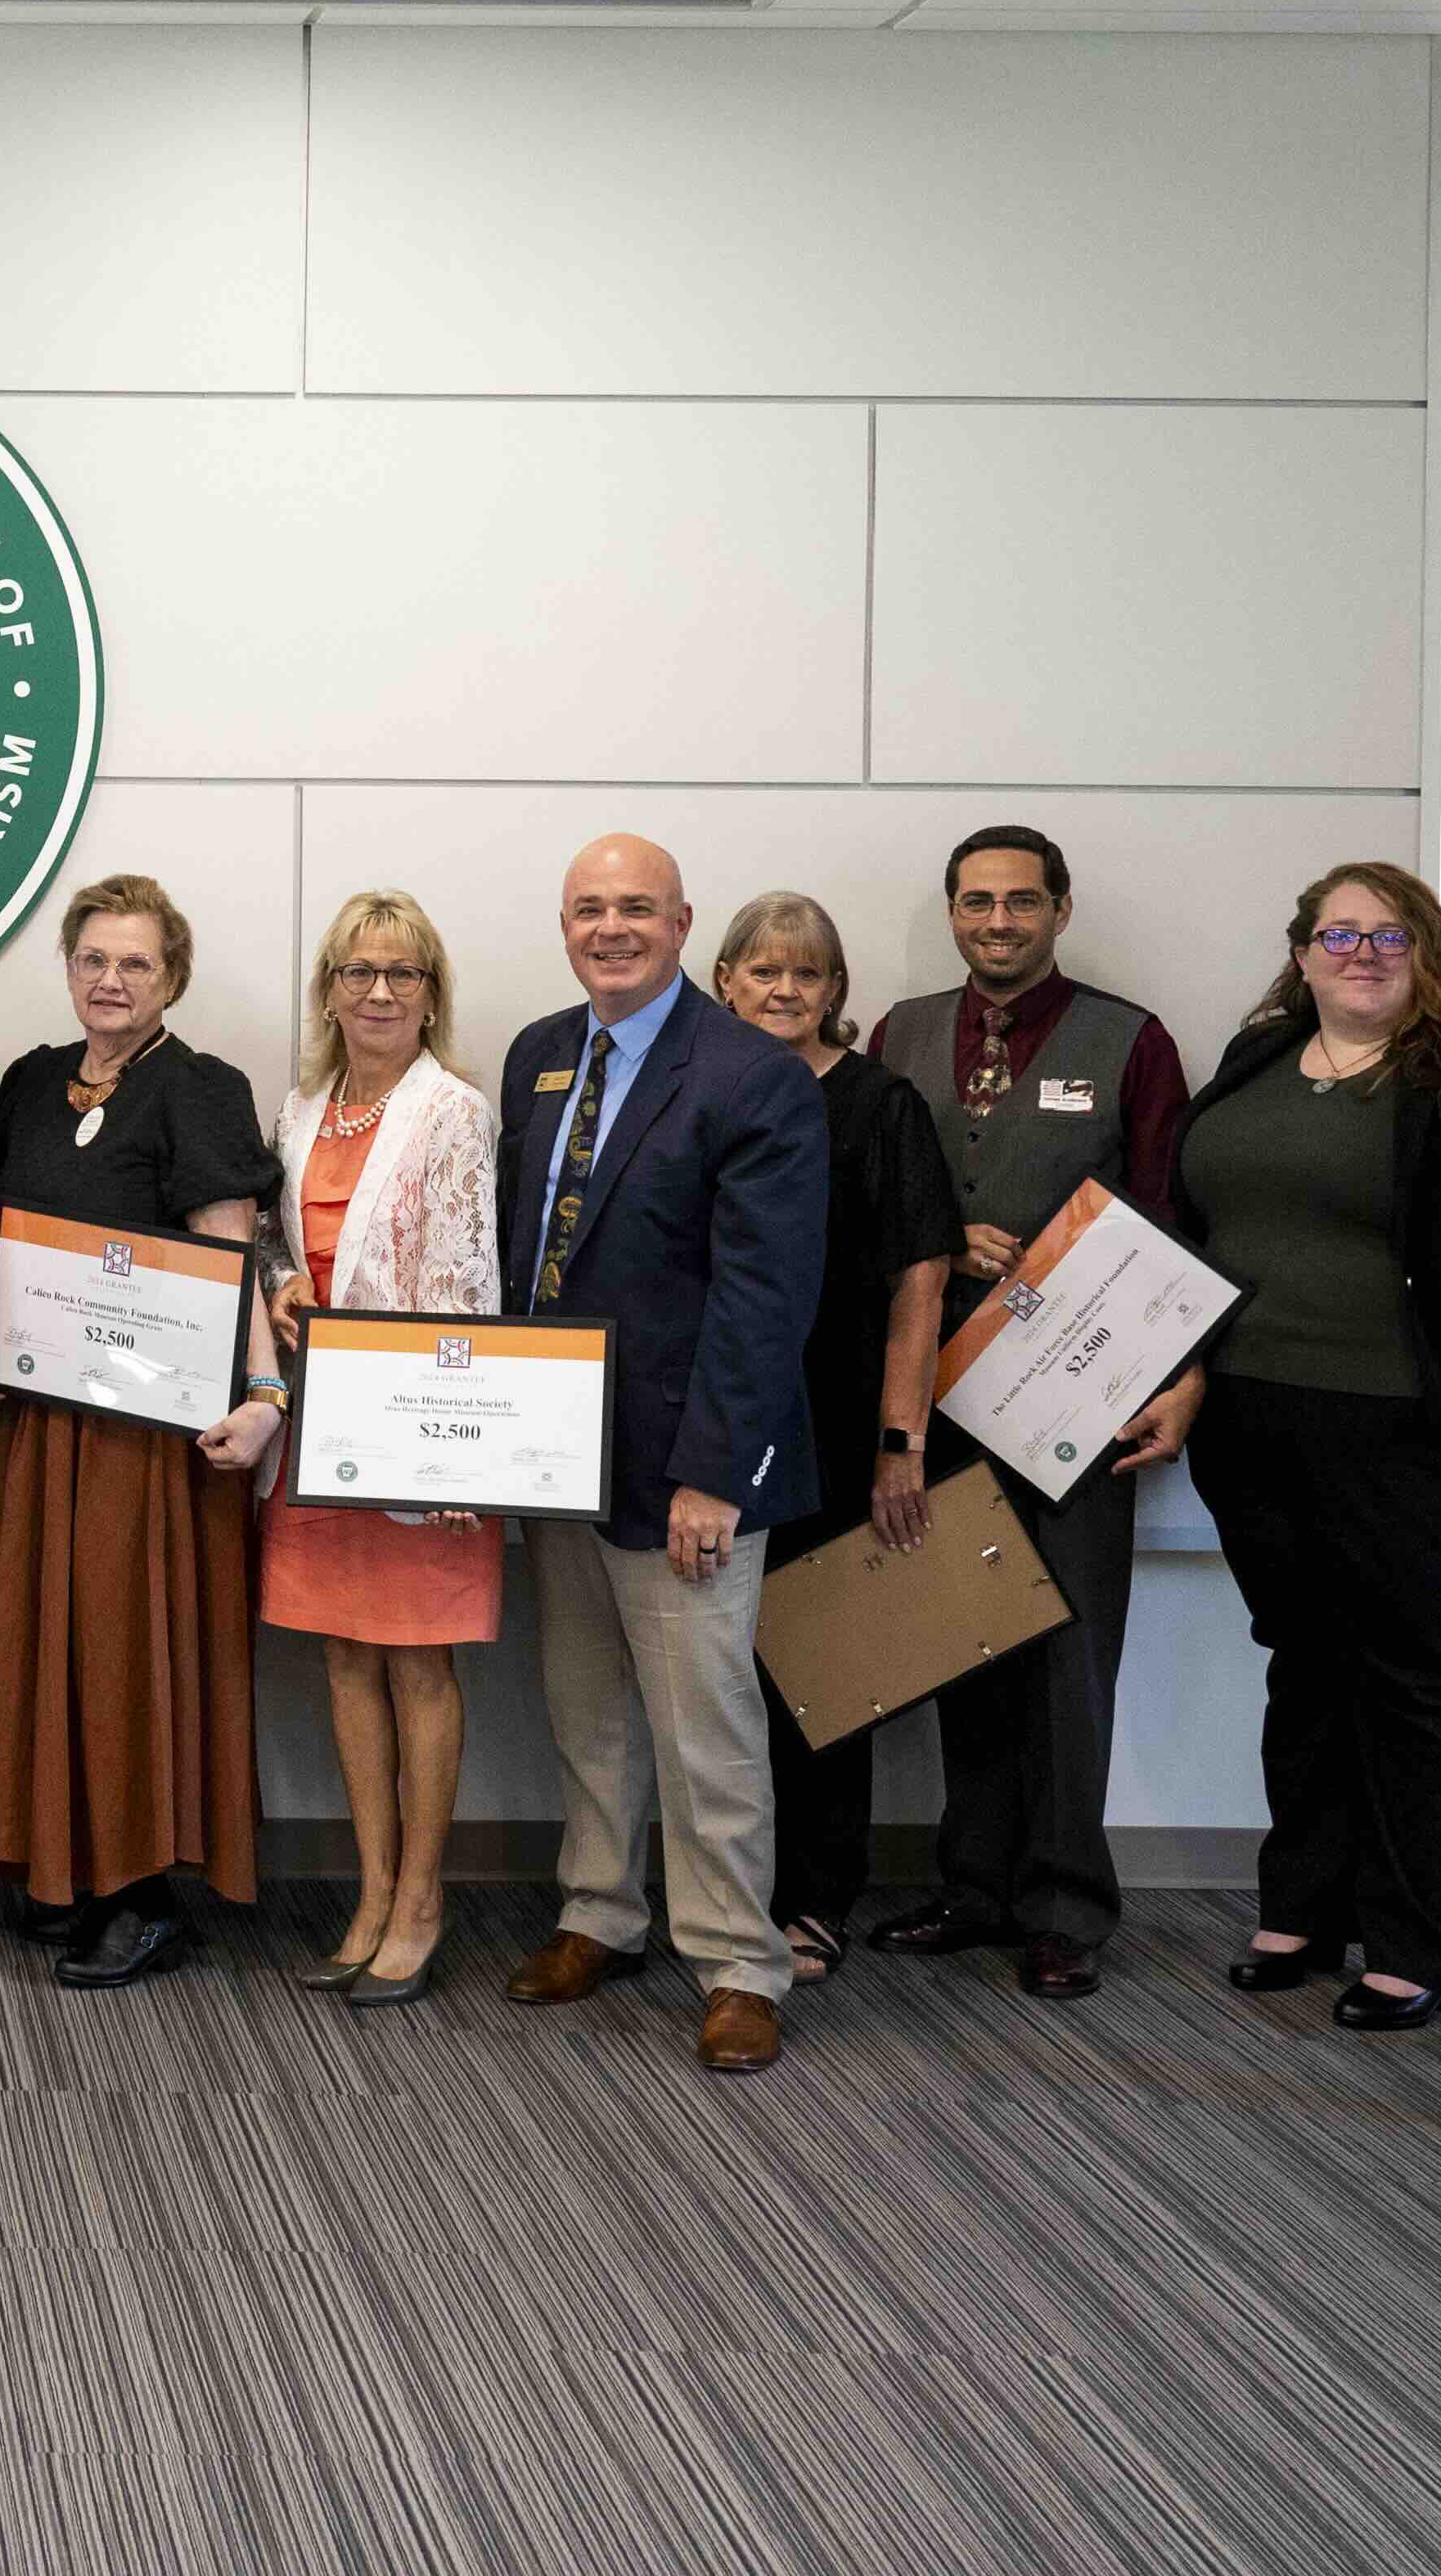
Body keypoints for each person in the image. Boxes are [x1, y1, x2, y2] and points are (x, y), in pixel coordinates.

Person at [1137, 863, 1441, 2036]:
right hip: (1255, 1422)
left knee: (1425, 1682)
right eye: (1340, 932)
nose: (1363, 952)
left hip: (1415, 1430)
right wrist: (1183, 1378)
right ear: (1303, 951)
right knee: (1310, 1665)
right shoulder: (1257, 1061)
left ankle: (1420, 1941)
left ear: (1428, 953)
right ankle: (1307, 1906)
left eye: (1391, 935)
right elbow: (1198, 1232)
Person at [493, 836, 825, 2076]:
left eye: (637, 908)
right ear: (565, 924)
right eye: (590, 909)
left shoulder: (752, 1077)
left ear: (685, 922)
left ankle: (742, 1962)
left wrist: (714, 1474)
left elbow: (765, 1296)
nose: (612, 928)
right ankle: (600, 1913)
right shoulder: (538, 1056)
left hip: (685, 1464)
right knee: (587, 1710)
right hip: (552, 1454)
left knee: (707, 1729)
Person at [861, 822, 1193, 2000]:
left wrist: (1169, 1378)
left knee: (1064, 1649)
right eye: (974, 902)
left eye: (1019, 902)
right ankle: (976, 1884)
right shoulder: (897, 1034)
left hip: (1079, 1395)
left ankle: (1065, 1905)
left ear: (1060, 908)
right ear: (950, 912)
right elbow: (863, 1192)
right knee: (961, 1634)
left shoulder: (1131, 1041)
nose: (996, 921)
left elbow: (1166, 1215)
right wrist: (945, 1240)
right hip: (937, 1388)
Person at [0, 875, 286, 1989]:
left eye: (137, 964)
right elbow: (0, 1242)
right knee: (56, 1642)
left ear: (173, 979)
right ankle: (72, 1870)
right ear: (68, 967)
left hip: (156, 1437)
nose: (111, 980)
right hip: (49, 1421)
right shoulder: (32, 1083)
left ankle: (142, 1894)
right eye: (94, 958)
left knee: (128, 1648)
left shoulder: (199, 1088)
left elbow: (232, 1253)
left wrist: (264, 1396)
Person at [706, 891, 958, 1987]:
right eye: (762, 971)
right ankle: (725, 1898)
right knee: (714, 1675)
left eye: (805, 974)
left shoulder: (880, 1105)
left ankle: (814, 1899)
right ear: (723, 983)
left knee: (820, 1673)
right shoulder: (694, 1097)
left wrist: (901, 1442)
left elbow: (922, 1277)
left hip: (839, 1421)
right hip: (717, 1422)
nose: (782, 990)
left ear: (837, 993)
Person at [255, 890, 500, 2010]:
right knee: (345, 1660)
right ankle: (368, 1891)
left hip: (424, 1435)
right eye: (360, 972)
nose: (382, 992)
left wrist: (456, 1455)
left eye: (404, 974)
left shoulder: (454, 1110)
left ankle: (422, 1900)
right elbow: (272, 1245)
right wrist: (282, 1286)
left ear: (432, 995)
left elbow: (467, 1285)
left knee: (419, 1665)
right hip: (322, 1434)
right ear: (330, 991)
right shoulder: (299, 1112)